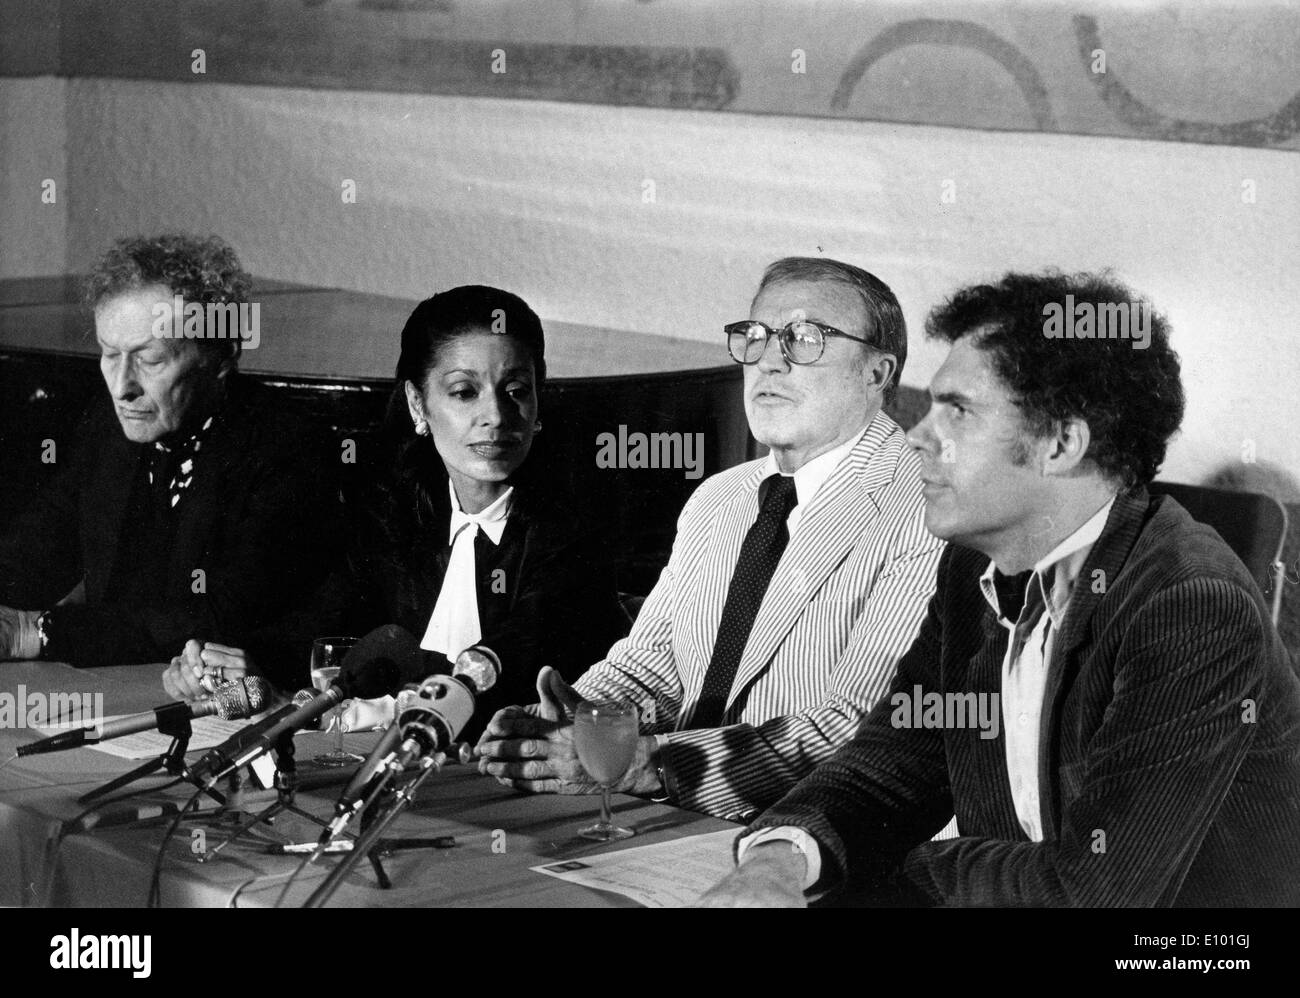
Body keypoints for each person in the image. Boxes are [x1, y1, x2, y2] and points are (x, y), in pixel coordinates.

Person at [699, 270, 1300, 907]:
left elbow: (1093, 891)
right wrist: (779, 859)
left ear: (1062, 443)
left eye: (957, 411)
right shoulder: (974, 568)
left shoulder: (1189, 605)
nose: (916, 436)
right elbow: (898, 759)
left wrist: (889, 874)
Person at [476, 257, 943, 821]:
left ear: (877, 372)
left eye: (804, 338)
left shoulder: (926, 504)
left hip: (825, 847)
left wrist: (650, 764)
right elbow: (652, 666)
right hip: (675, 823)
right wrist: (573, 723)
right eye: (756, 336)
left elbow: (860, 727)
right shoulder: (719, 498)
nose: (769, 361)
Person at [162, 285, 628, 742]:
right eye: (465, 392)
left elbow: (491, 680)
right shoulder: (399, 514)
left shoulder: (572, 533)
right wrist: (226, 664)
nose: (497, 416)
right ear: (416, 404)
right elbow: (324, 628)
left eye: (516, 391)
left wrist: (335, 713)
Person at [0, 234, 338, 679]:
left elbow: (216, 619)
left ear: (219, 357)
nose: (122, 387)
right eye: (108, 354)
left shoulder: (286, 449)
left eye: (151, 360)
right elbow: (36, 549)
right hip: (120, 680)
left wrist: (36, 633)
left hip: (234, 701)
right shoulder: (108, 425)